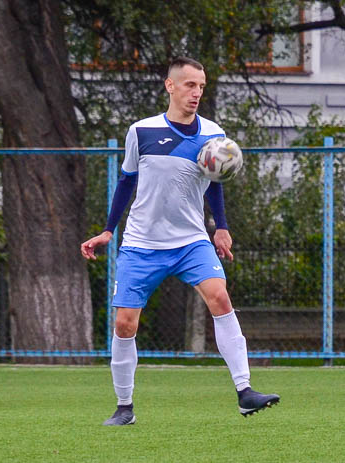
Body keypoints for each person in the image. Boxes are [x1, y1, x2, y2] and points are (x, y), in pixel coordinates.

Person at [80, 56, 279, 426]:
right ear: (170, 86)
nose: (197, 93)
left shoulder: (213, 135)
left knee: (220, 298)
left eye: (201, 86)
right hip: (142, 243)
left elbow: (215, 183)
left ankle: (245, 392)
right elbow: (126, 181)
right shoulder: (142, 131)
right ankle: (124, 407)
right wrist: (109, 229)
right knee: (125, 323)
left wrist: (220, 226)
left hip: (191, 241)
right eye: (190, 85)